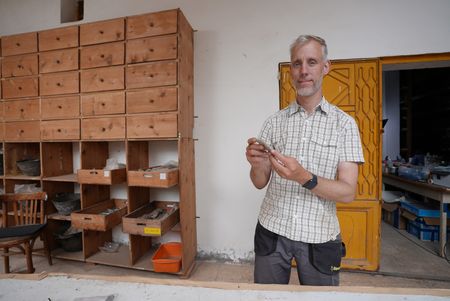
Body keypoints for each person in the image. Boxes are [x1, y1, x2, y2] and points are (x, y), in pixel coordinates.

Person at [245, 35, 365, 286]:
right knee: (266, 297)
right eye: (297, 63)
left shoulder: (345, 125)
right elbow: (259, 182)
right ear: (290, 70)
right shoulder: (274, 122)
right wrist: (257, 165)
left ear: (325, 67)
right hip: (272, 229)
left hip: (319, 235)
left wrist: (303, 177)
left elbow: (347, 193)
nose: (304, 70)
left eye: (312, 62)